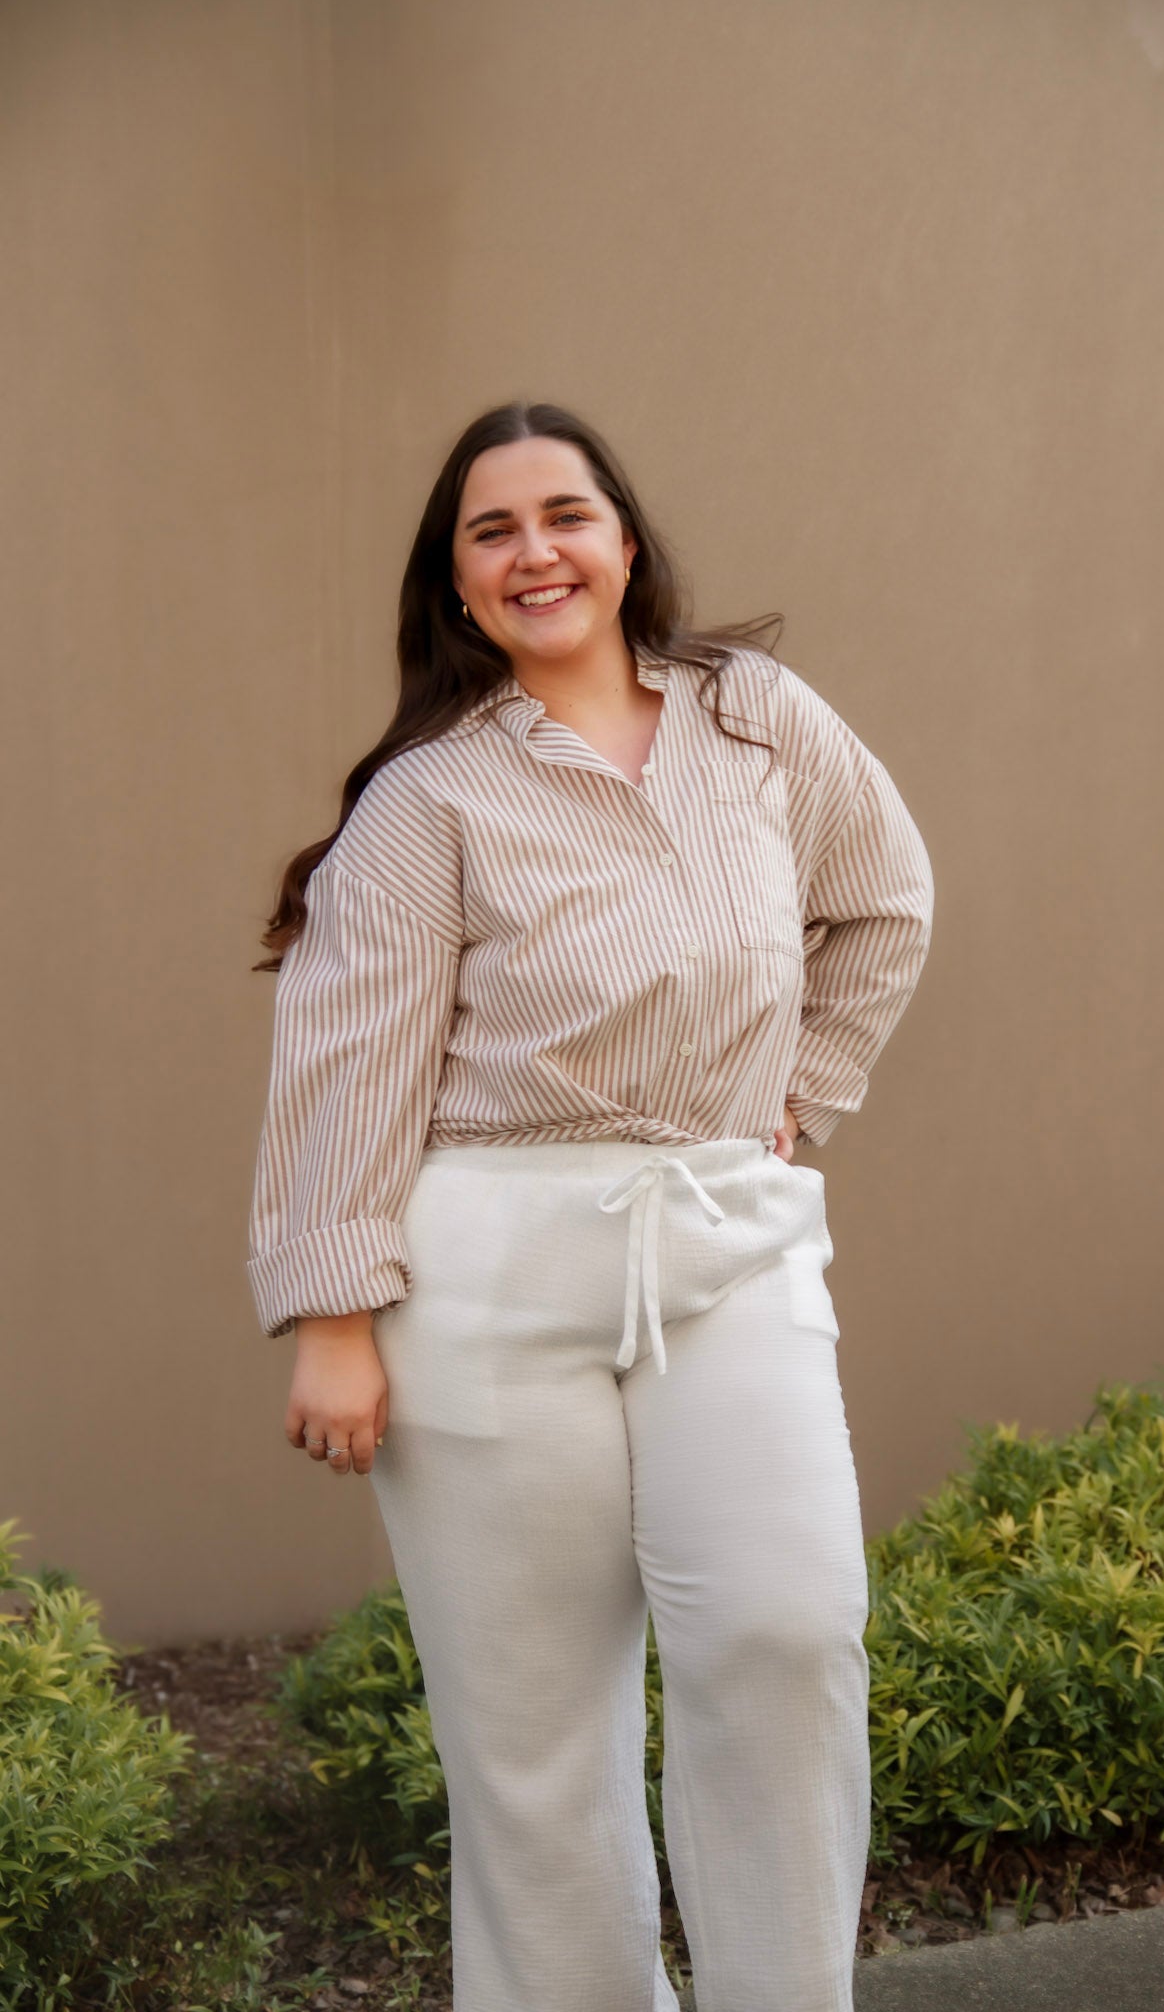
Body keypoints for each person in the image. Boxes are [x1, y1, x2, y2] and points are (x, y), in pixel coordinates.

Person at [246, 400, 934, 2012]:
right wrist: (334, 1319)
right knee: (533, 1738)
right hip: (487, 1266)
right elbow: (348, 1063)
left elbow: (884, 901)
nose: (533, 551)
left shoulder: (756, 717)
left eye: (563, 515)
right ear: (457, 587)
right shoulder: (429, 802)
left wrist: (803, 1091)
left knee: (782, 1637)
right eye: (491, 532)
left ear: (624, 543)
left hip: (723, 1241)